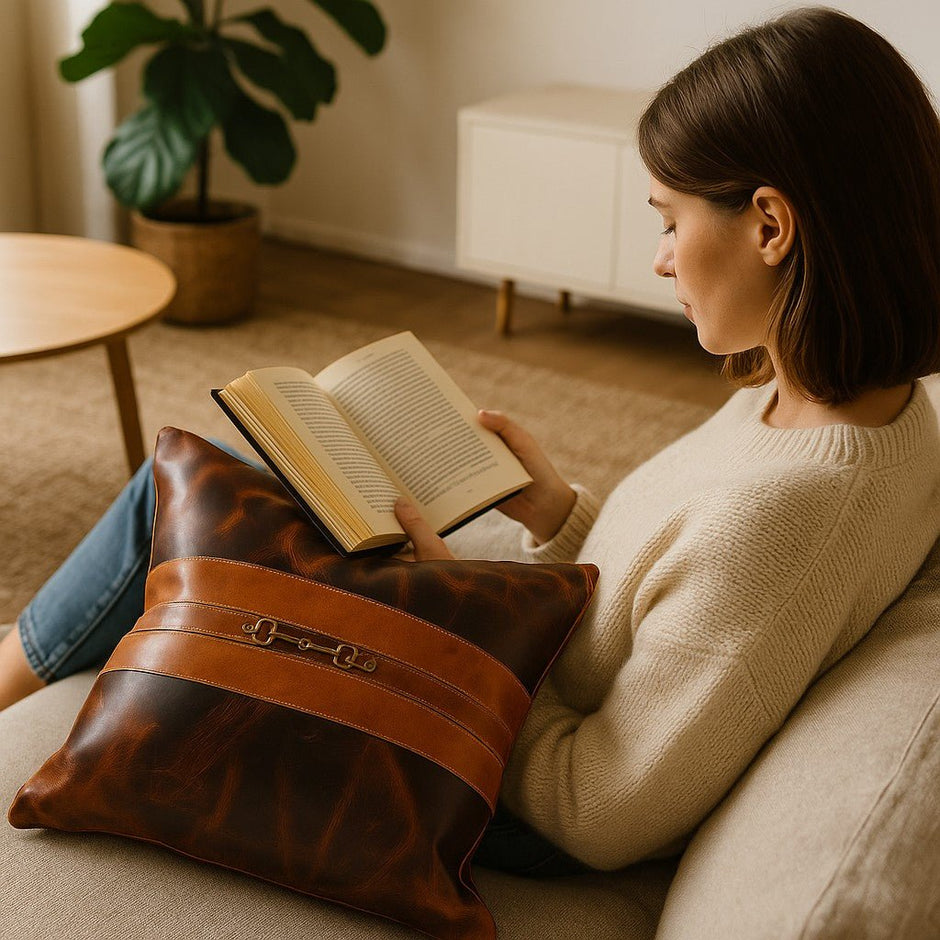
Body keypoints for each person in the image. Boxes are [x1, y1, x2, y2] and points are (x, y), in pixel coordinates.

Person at [3, 6, 940, 875]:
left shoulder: (788, 521)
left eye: (670, 221)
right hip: (522, 661)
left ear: (771, 225)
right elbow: (667, 594)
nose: (660, 258)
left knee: (201, 484)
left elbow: (597, 808)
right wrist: (558, 513)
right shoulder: (851, 405)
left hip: (487, 750)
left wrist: (450, 620)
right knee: (244, 479)